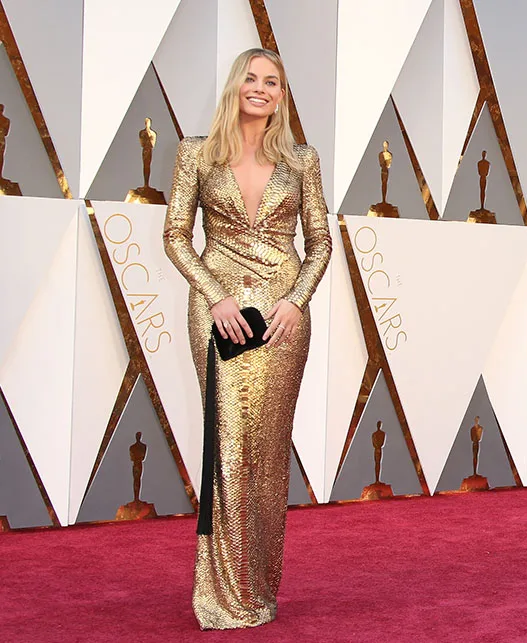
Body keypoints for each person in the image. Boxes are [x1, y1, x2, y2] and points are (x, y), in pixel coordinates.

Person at [163, 47, 332, 630]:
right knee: (228, 447)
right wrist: (215, 294)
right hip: (221, 316)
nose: (261, 89)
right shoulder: (197, 156)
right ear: (237, 85)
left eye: (273, 82)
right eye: (252, 79)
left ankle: (259, 586)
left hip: (283, 318)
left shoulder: (302, 161)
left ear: (282, 95)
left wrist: (296, 300)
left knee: (266, 451)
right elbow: (177, 236)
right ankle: (225, 595)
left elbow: (321, 242)